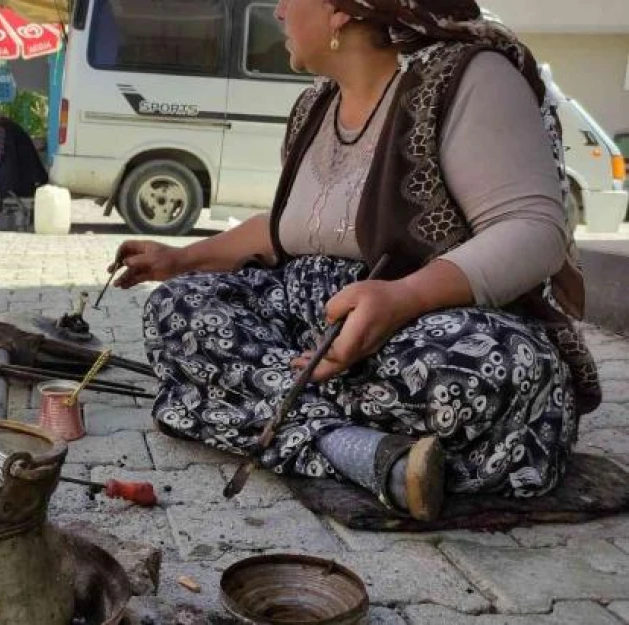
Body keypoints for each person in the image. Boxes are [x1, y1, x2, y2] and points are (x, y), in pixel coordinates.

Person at [111, 0, 600, 522]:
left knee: (494, 364)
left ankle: (269, 416)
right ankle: (361, 450)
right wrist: (181, 259)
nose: (277, 11)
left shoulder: (467, 76)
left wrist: (402, 297)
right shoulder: (312, 107)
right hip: (310, 332)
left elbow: (533, 228)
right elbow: (287, 228)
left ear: (340, 11)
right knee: (175, 311)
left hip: (415, 325)